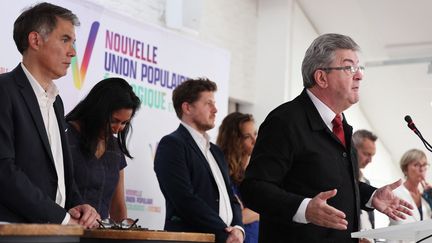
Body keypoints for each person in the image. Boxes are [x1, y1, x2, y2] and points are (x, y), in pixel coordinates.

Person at [240, 33, 413, 242]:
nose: (359, 75)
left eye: (359, 68)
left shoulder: (340, 124)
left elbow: (331, 185)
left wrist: (371, 196)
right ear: (321, 77)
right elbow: (254, 188)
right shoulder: (285, 121)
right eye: (349, 68)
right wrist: (304, 209)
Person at [0, 2, 99, 227]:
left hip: (54, 231)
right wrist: (61, 218)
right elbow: (3, 171)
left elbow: (60, 175)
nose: (73, 52)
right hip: (13, 232)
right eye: (65, 40)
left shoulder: (56, 102)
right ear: (35, 40)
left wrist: (77, 206)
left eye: (73, 42)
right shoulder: (4, 91)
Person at [154, 78, 244, 243]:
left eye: (214, 103)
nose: (215, 109)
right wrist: (225, 233)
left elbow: (232, 198)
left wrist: (238, 228)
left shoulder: (216, 151)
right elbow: (184, 199)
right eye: (208, 104)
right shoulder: (172, 145)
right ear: (187, 107)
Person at [65, 77, 141, 221]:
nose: (117, 129)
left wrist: (124, 231)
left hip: (100, 235)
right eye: (113, 121)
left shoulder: (115, 148)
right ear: (97, 110)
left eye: (124, 123)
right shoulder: (65, 136)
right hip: (64, 232)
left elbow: (117, 206)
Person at [216, 112, 259, 243]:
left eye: (255, 134)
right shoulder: (222, 171)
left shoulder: (253, 170)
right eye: (247, 136)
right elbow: (233, 217)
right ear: (234, 140)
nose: (254, 141)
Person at [389, 149, 432, 227]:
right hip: (401, 238)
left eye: (424, 165)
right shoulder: (395, 193)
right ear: (405, 169)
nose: (422, 169)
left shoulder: (426, 196)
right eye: (416, 165)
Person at [353, 129, 378, 243]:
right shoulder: (338, 178)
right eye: (367, 154)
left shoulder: (366, 182)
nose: (370, 160)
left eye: (372, 155)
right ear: (352, 148)